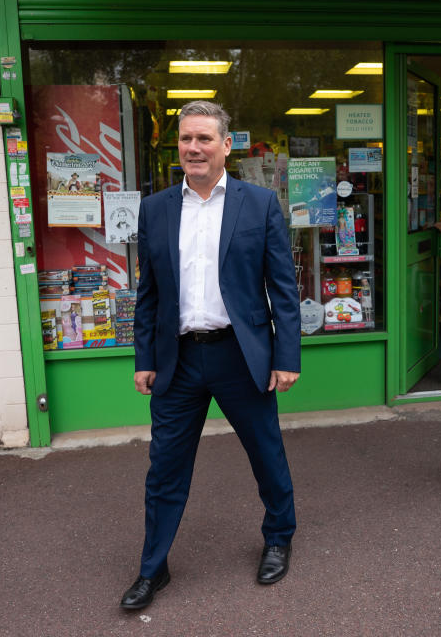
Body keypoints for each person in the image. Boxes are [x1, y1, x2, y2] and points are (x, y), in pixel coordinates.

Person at [121, 101, 301, 610]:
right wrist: (144, 358)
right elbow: (149, 292)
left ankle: (279, 536)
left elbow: (283, 289)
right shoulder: (155, 208)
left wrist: (286, 355)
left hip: (240, 356)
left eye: (204, 138)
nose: (193, 148)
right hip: (177, 360)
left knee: (266, 454)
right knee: (165, 470)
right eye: (186, 139)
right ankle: (153, 569)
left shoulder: (259, 204)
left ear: (227, 145)